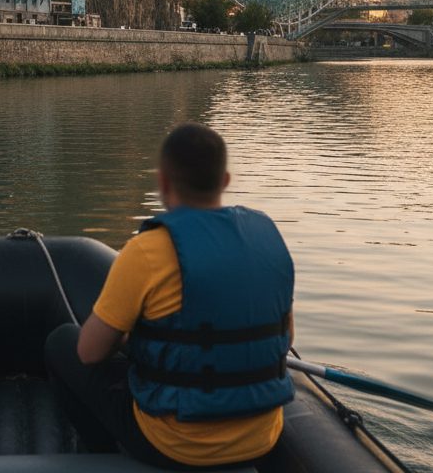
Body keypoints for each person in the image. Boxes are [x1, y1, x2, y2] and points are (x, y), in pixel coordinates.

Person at [45, 123, 294, 470]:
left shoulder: (147, 251)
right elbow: (285, 338)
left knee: (61, 342)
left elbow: (89, 353)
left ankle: (100, 452)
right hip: (262, 439)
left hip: (175, 446)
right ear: (224, 180)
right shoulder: (268, 238)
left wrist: (135, 341)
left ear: (162, 183)